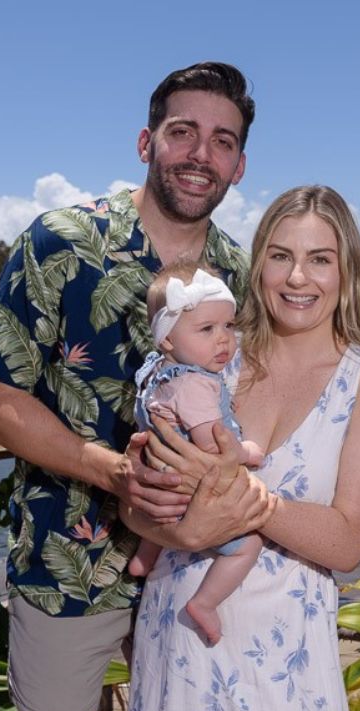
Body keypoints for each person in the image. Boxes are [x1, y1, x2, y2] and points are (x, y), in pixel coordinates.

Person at [0, 62, 274, 711]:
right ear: (147, 141)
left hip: (194, 561)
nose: (202, 154)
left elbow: (254, 402)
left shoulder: (240, 269)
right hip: (70, 560)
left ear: (239, 163)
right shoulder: (63, 241)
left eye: (222, 140)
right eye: (183, 133)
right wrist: (113, 471)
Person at [121, 185, 360, 711]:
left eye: (320, 259)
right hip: (181, 641)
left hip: (286, 668)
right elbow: (136, 499)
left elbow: (347, 540)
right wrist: (164, 511)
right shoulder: (215, 349)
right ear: (258, 265)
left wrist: (244, 499)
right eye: (280, 256)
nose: (297, 277)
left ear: (346, 269)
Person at [127, 260, 265, 644]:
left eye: (229, 326)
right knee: (247, 546)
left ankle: (145, 555)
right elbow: (212, 446)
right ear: (167, 339)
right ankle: (204, 603)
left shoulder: (156, 372)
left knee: (163, 513)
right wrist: (248, 452)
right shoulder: (194, 384)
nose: (223, 340)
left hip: (163, 486)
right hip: (192, 491)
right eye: (207, 329)